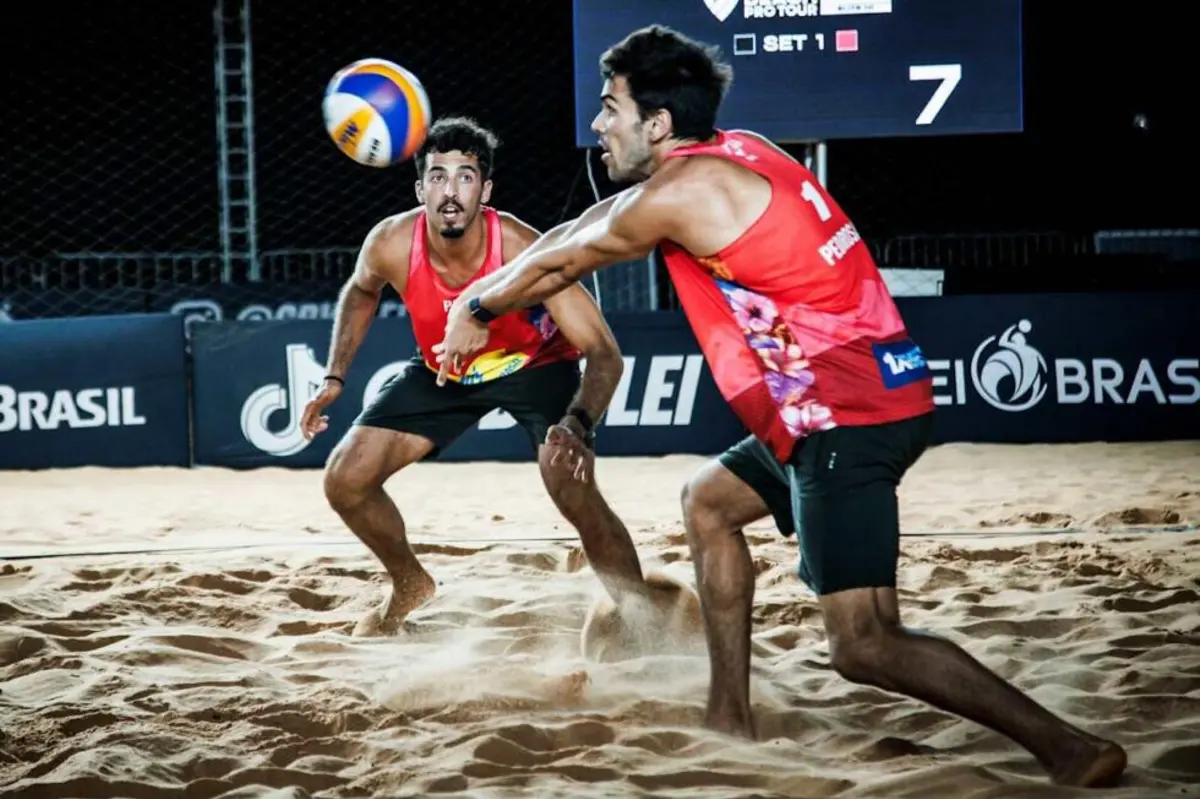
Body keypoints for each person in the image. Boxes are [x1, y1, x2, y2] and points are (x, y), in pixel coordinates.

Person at [434, 27, 1127, 789]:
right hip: (829, 400)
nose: (598, 126)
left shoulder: (684, 192)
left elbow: (571, 256)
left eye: (610, 110)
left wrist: (477, 301)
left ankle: (1066, 745)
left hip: (843, 410)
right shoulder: (735, 151)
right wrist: (486, 292)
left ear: (658, 125)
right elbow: (579, 230)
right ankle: (729, 713)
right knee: (708, 504)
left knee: (863, 643)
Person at [300, 116, 691, 639]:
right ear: (420, 189)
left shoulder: (522, 247)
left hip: (538, 366)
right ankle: (410, 581)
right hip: (447, 366)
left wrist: (577, 423)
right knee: (344, 481)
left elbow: (603, 353)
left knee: (571, 488)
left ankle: (640, 616)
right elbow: (362, 290)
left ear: (486, 190)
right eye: (437, 176)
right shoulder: (391, 241)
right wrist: (334, 377)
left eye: (465, 177)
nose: (450, 191)